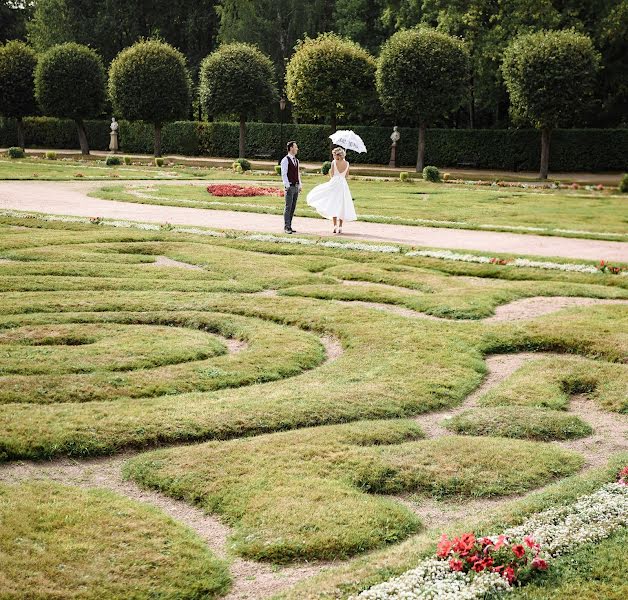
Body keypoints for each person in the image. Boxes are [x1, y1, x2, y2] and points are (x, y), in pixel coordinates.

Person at [306, 147, 357, 234]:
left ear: (337, 155)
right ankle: (340, 226)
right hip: (343, 185)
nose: (333, 156)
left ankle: (334, 226)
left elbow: (332, 175)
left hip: (334, 183)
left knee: (333, 202)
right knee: (342, 204)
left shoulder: (334, 162)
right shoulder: (347, 163)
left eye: (334, 155)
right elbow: (346, 176)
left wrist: (331, 172)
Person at [280, 141, 302, 234]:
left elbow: (297, 173)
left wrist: (300, 184)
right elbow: (284, 173)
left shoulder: (296, 160)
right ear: (291, 148)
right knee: (288, 207)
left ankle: (290, 225)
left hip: (296, 186)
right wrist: (287, 185)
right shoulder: (285, 160)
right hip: (290, 186)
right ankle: (286, 226)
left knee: (293, 207)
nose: (297, 149)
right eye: (295, 147)